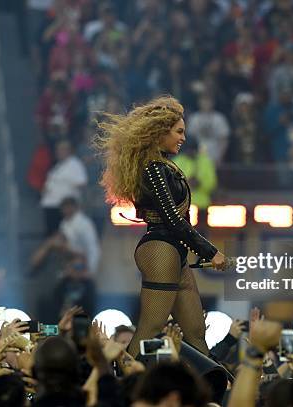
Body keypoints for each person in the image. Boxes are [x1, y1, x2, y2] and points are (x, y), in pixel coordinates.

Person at [96, 95, 226, 358]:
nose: (184, 138)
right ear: (160, 133)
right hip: (160, 249)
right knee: (151, 327)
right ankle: (122, 384)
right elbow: (172, 219)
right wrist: (210, 252)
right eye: (179, 131)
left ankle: (213, 389)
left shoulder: (163, 166)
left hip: (173, 252)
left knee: (196, 331)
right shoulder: (154, 169)